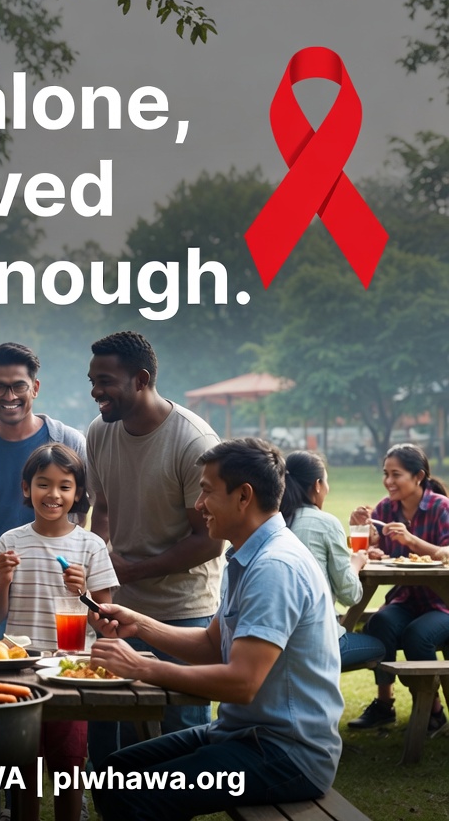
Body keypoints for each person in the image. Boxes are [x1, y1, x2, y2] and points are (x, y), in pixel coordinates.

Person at [89, 439, 344, 821]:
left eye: (207, 491)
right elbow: (213, 644)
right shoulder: (249, 555)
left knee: (136, 794)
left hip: (286, 754)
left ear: (244, 496)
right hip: (242, 734)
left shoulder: (275, 567)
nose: (198, 504)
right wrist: (138, 622)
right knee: (115, 774)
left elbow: (242, 682)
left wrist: (143, 668)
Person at [85, 331, 221, 765]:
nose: (95, 392)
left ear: (141, 379)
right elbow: (102, 506)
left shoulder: (193, 442)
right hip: (120, 610)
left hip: (184, 612)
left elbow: (210, 541)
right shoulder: (100, 433)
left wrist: (129, 570)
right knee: (121, 733)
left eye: (105, 381)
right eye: (92, 380)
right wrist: (100, 552)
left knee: (180, 734)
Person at [0, 442, 117, 821]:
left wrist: (85, 593)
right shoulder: (11, 541)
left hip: (70, 671)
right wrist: (3, 579)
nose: (53, 494)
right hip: (21, 670)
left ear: (78, 494)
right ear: (26, 488)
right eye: (43, 484)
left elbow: (105, 622)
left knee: (69, 764)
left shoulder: (90, 546)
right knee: (23, 763)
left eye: (64, 486)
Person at [0, 342, 87, 639]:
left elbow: (84, 512)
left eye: (18, 386)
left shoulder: (70, 441)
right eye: (0, 387)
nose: (9, 396)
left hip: (49, 590)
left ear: (35, 387)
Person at [346, 443, 449, 738]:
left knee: (418, 635)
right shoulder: (385, 508)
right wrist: (370, 543)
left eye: (396, 474)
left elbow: (447, 552)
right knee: (380, 623)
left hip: (442, 603)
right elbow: (378, 548)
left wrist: (413, 541)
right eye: (385, 474)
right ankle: (384, 703)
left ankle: (433, 711)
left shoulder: (441, 507)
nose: (389, 481)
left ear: (418, 476)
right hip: (405, 599)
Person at [279, 450, 384, 670]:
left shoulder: (272, 519)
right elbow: (350, 595)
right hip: (317, 643)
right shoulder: (325, 523)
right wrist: (355, 563)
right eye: (326, 482)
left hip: (276, 640)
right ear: (318, 485)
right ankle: (386, 701)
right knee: (381, 645)